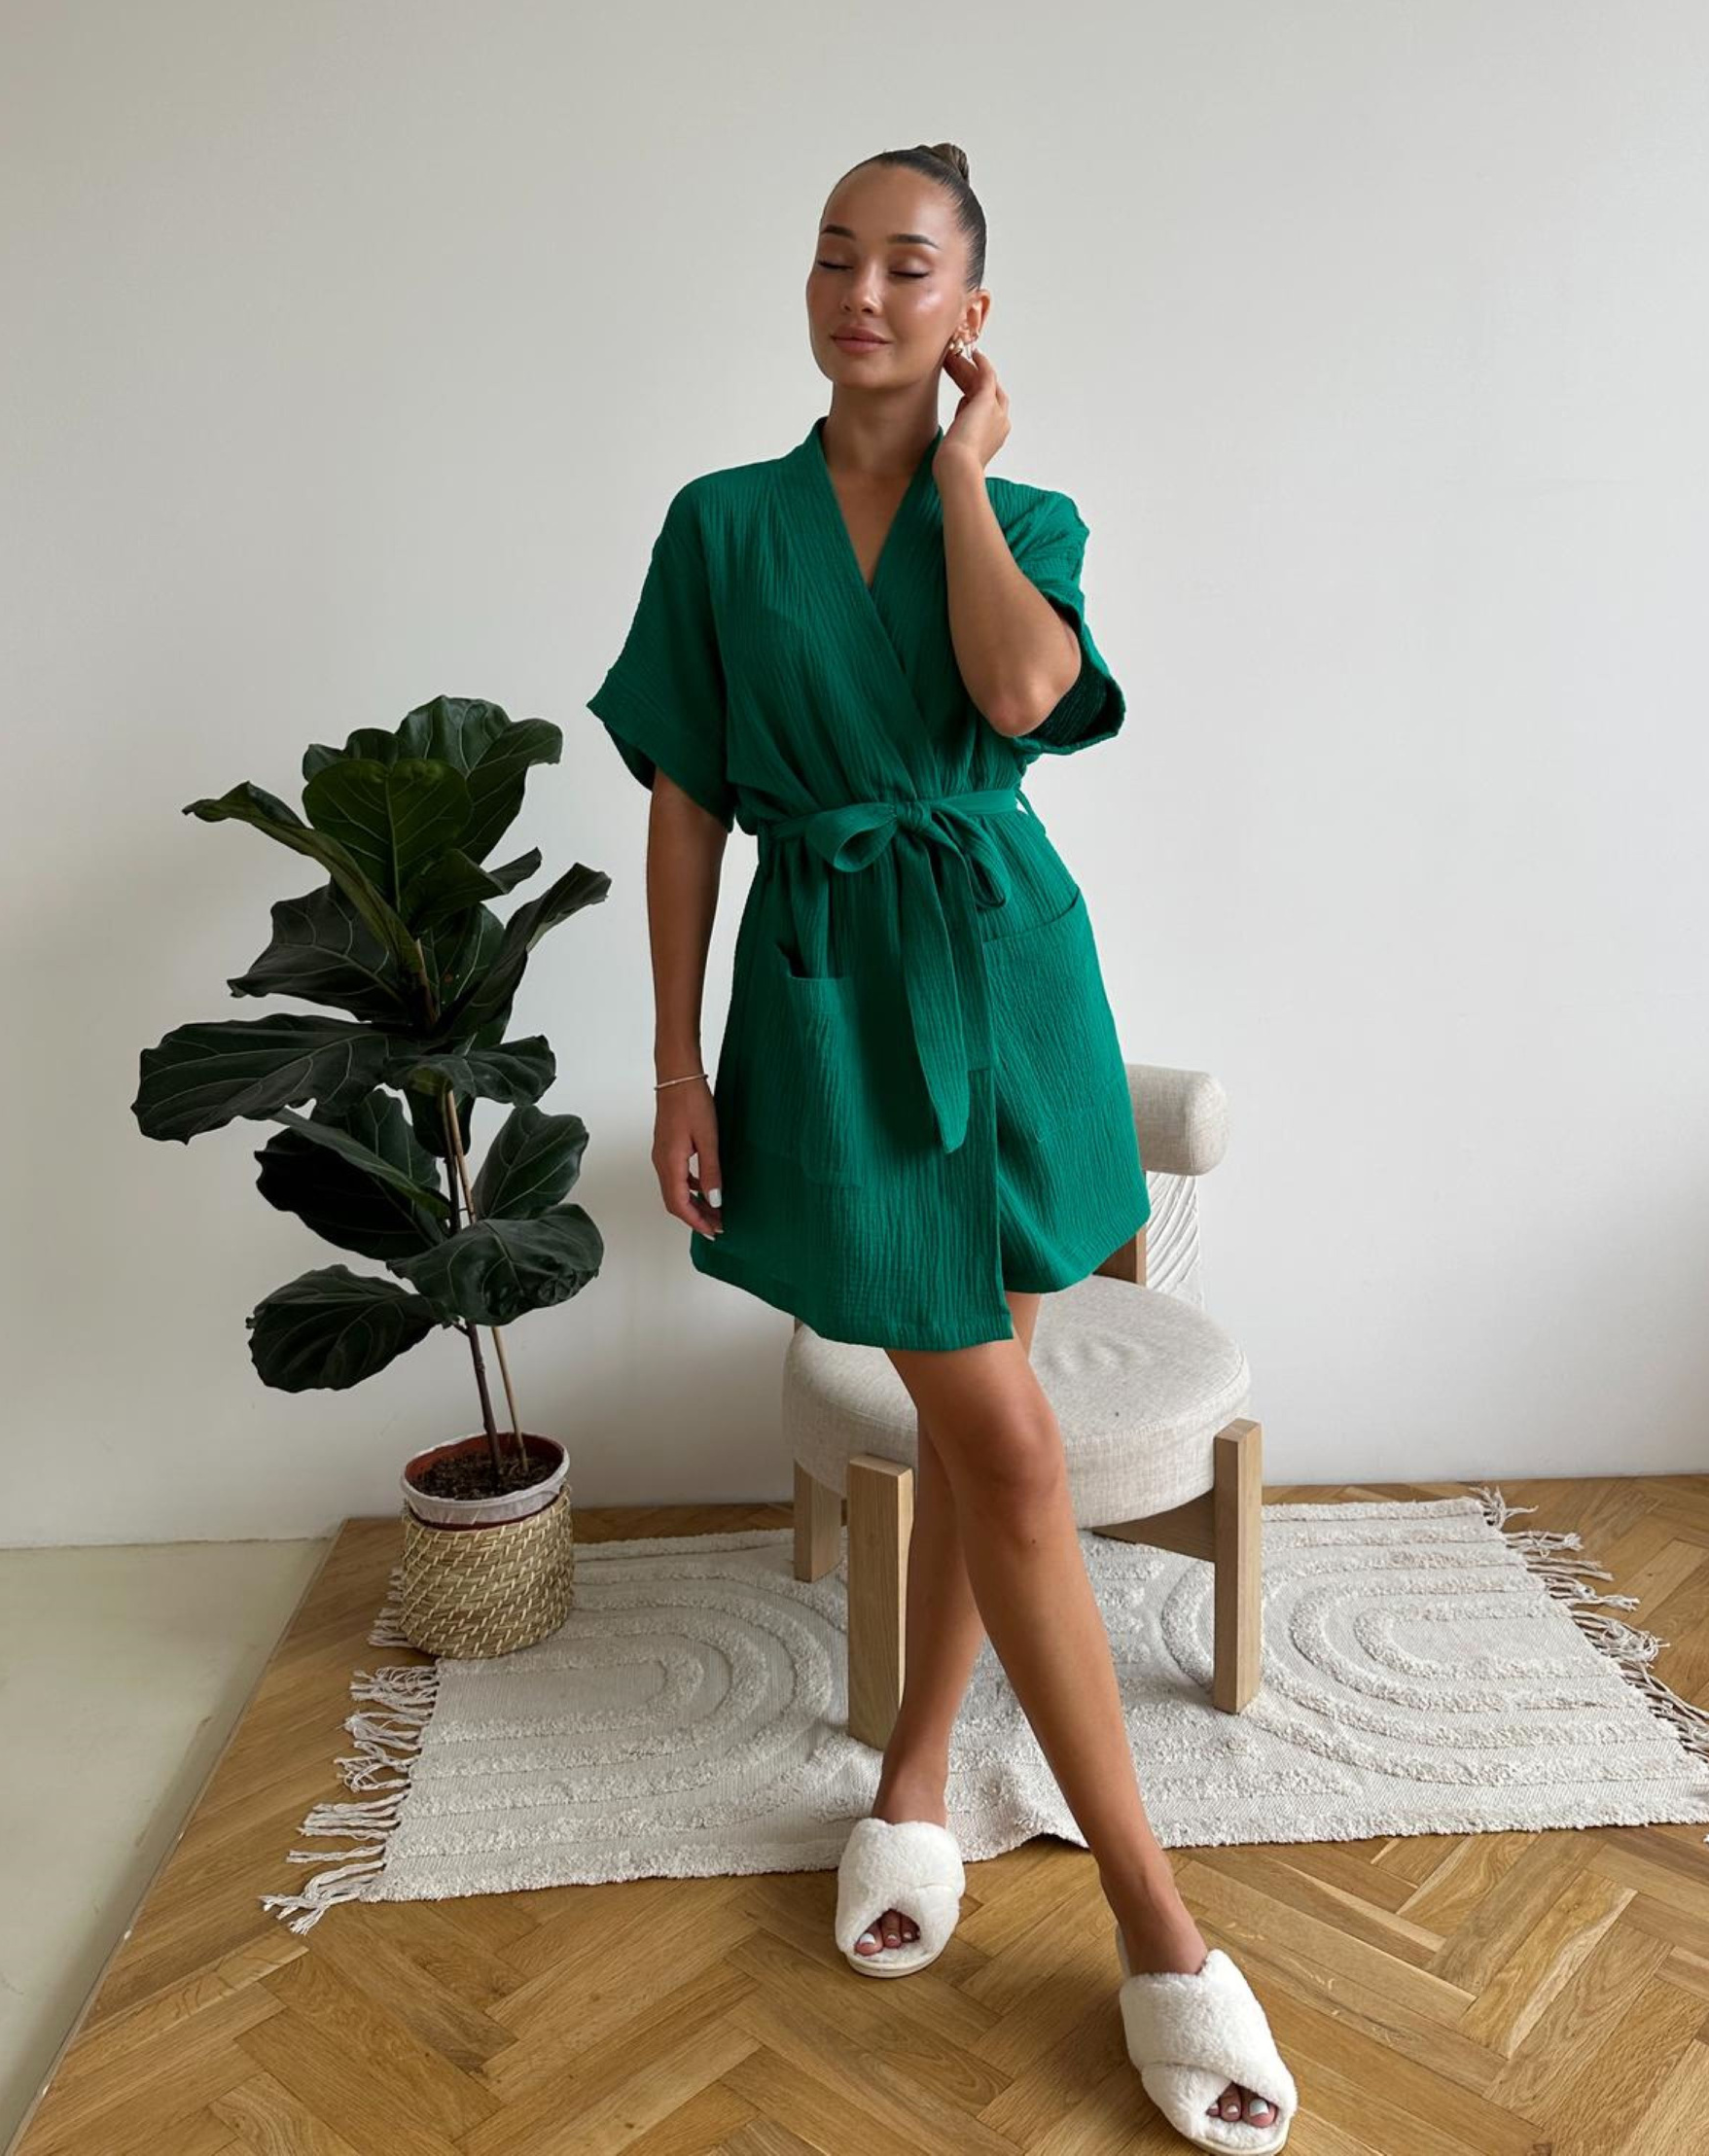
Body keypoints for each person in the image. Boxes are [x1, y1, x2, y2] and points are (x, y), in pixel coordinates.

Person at [587, 145, 1290, 2142]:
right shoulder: (719, 525)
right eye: (834, 256)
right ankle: (1159, 1932)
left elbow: (1021, 688)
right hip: (825, 996)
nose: (860, 292)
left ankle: (910, 1783)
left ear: (968, 312)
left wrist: (968, 477)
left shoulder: (1030, 515)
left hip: (1008, 977)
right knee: (1011, 1441)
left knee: (994, 1437)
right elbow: (684, 804)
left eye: (907, 267)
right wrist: (675, 1066)